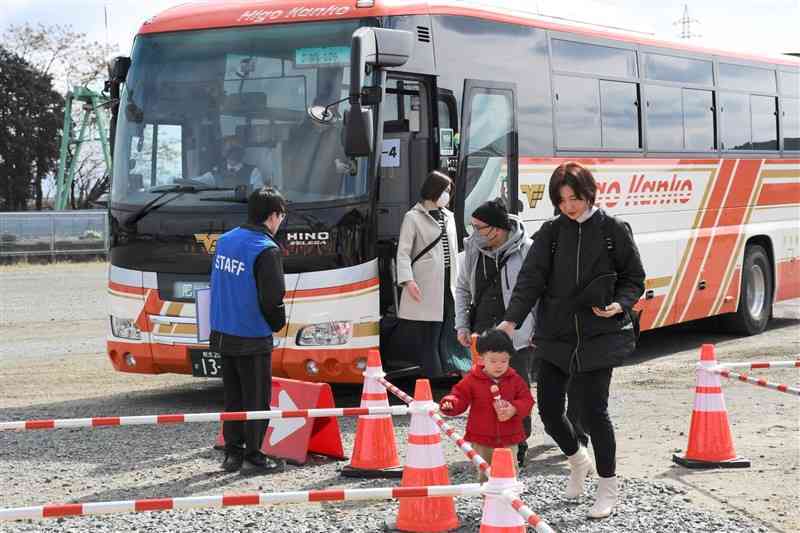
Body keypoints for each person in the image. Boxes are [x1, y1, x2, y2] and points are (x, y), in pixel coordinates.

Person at [498, 162, 645, 519]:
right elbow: (530, 280)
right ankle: (578, 461)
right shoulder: (551, 233)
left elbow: (634, 278)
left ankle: (608, 487)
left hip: (599, 335)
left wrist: (619, 304)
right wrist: (510, 321)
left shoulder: (613, 230)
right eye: (561, 200)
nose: (569, 206)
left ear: (589, 193)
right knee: (549, 411)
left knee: (594, 412)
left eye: (575, 198)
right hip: (555, 334)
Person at [210, 186, 288, 475]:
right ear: (272, 216)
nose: (281, 223)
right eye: (281, 217)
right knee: (256, 399)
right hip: (252, 334)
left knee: (234, 396)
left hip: (223, 331)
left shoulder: (226, 241)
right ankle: (254, 456)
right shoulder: (266, 249)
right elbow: (272, 298)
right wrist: (277, 324)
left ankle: (232, 453)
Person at [453, 198, 536, 468]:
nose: (473, 232)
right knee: (483, 389)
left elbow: (537, 295)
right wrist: (462, 325)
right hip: (482, 332)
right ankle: (488, 443)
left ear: (497, 229)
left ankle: (518, 444)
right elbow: (464, 289)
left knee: (515, 388)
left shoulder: (527, 251)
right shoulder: (473, 249)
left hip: (516, 333)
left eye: (479, 227)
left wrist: (536, 330)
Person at [394, 170, 472, 378]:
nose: (448, 194)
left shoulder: (449, 216)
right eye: (444, 190)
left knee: (452, 331)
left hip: (450, 285)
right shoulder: (413, 217)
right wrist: (408, 281)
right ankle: (433, 380)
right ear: (433, 190)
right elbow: (403, 253)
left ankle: (458, 374)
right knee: (430, 336)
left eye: (449, 191)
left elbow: (454, 253)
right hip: (425, 286)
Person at [439, 329, 534, 482]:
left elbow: (527, 400)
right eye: (493, 361)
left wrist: (514, 408)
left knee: (510, 473)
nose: (499, 365)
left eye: (504, 361)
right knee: (485, 475)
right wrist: (450, 403)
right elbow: (459, 395)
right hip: (481, 438)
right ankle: (487, 503)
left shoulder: (514, 379)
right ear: (481, 359)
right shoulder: (473, 380)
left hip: (509, 437)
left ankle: (509, 502)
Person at [198, 137, 264, 189]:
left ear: (242, 153)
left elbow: (257, 194)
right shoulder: (216, 172)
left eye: (236, 150)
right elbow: (195, 182)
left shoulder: (253, 172)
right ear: (224, 153)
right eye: (229, 151)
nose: (233, 155)